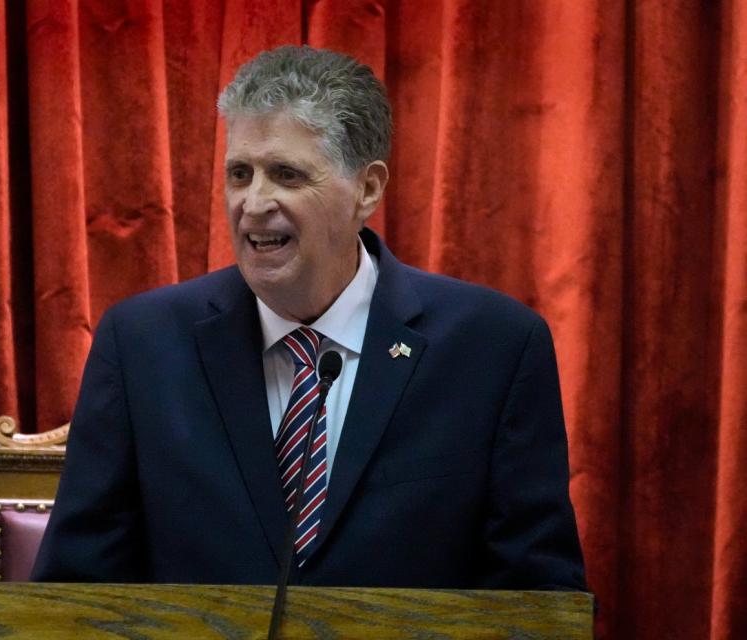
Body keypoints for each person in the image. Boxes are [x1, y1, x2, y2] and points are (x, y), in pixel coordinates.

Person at [32, 45, 586, 590]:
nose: (253, 202)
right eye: (240, 174)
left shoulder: (494, 348)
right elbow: (75, 590)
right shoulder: (141, 345)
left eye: (288, 175)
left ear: (367, 189)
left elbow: (535, 601)